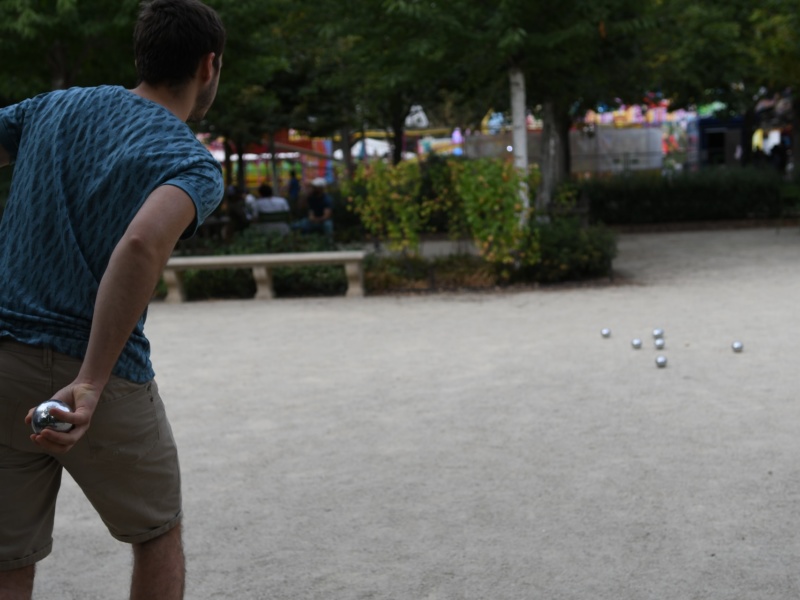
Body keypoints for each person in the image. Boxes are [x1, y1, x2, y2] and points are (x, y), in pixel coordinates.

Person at [0, 1, 225, 599]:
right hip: (101, 374)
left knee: (7, 557)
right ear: (209, 66)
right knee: (155, 532)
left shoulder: (54, 106)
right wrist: (93, 380)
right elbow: (142, 242)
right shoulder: (189, 163)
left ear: (140, 57)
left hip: (3, 359)